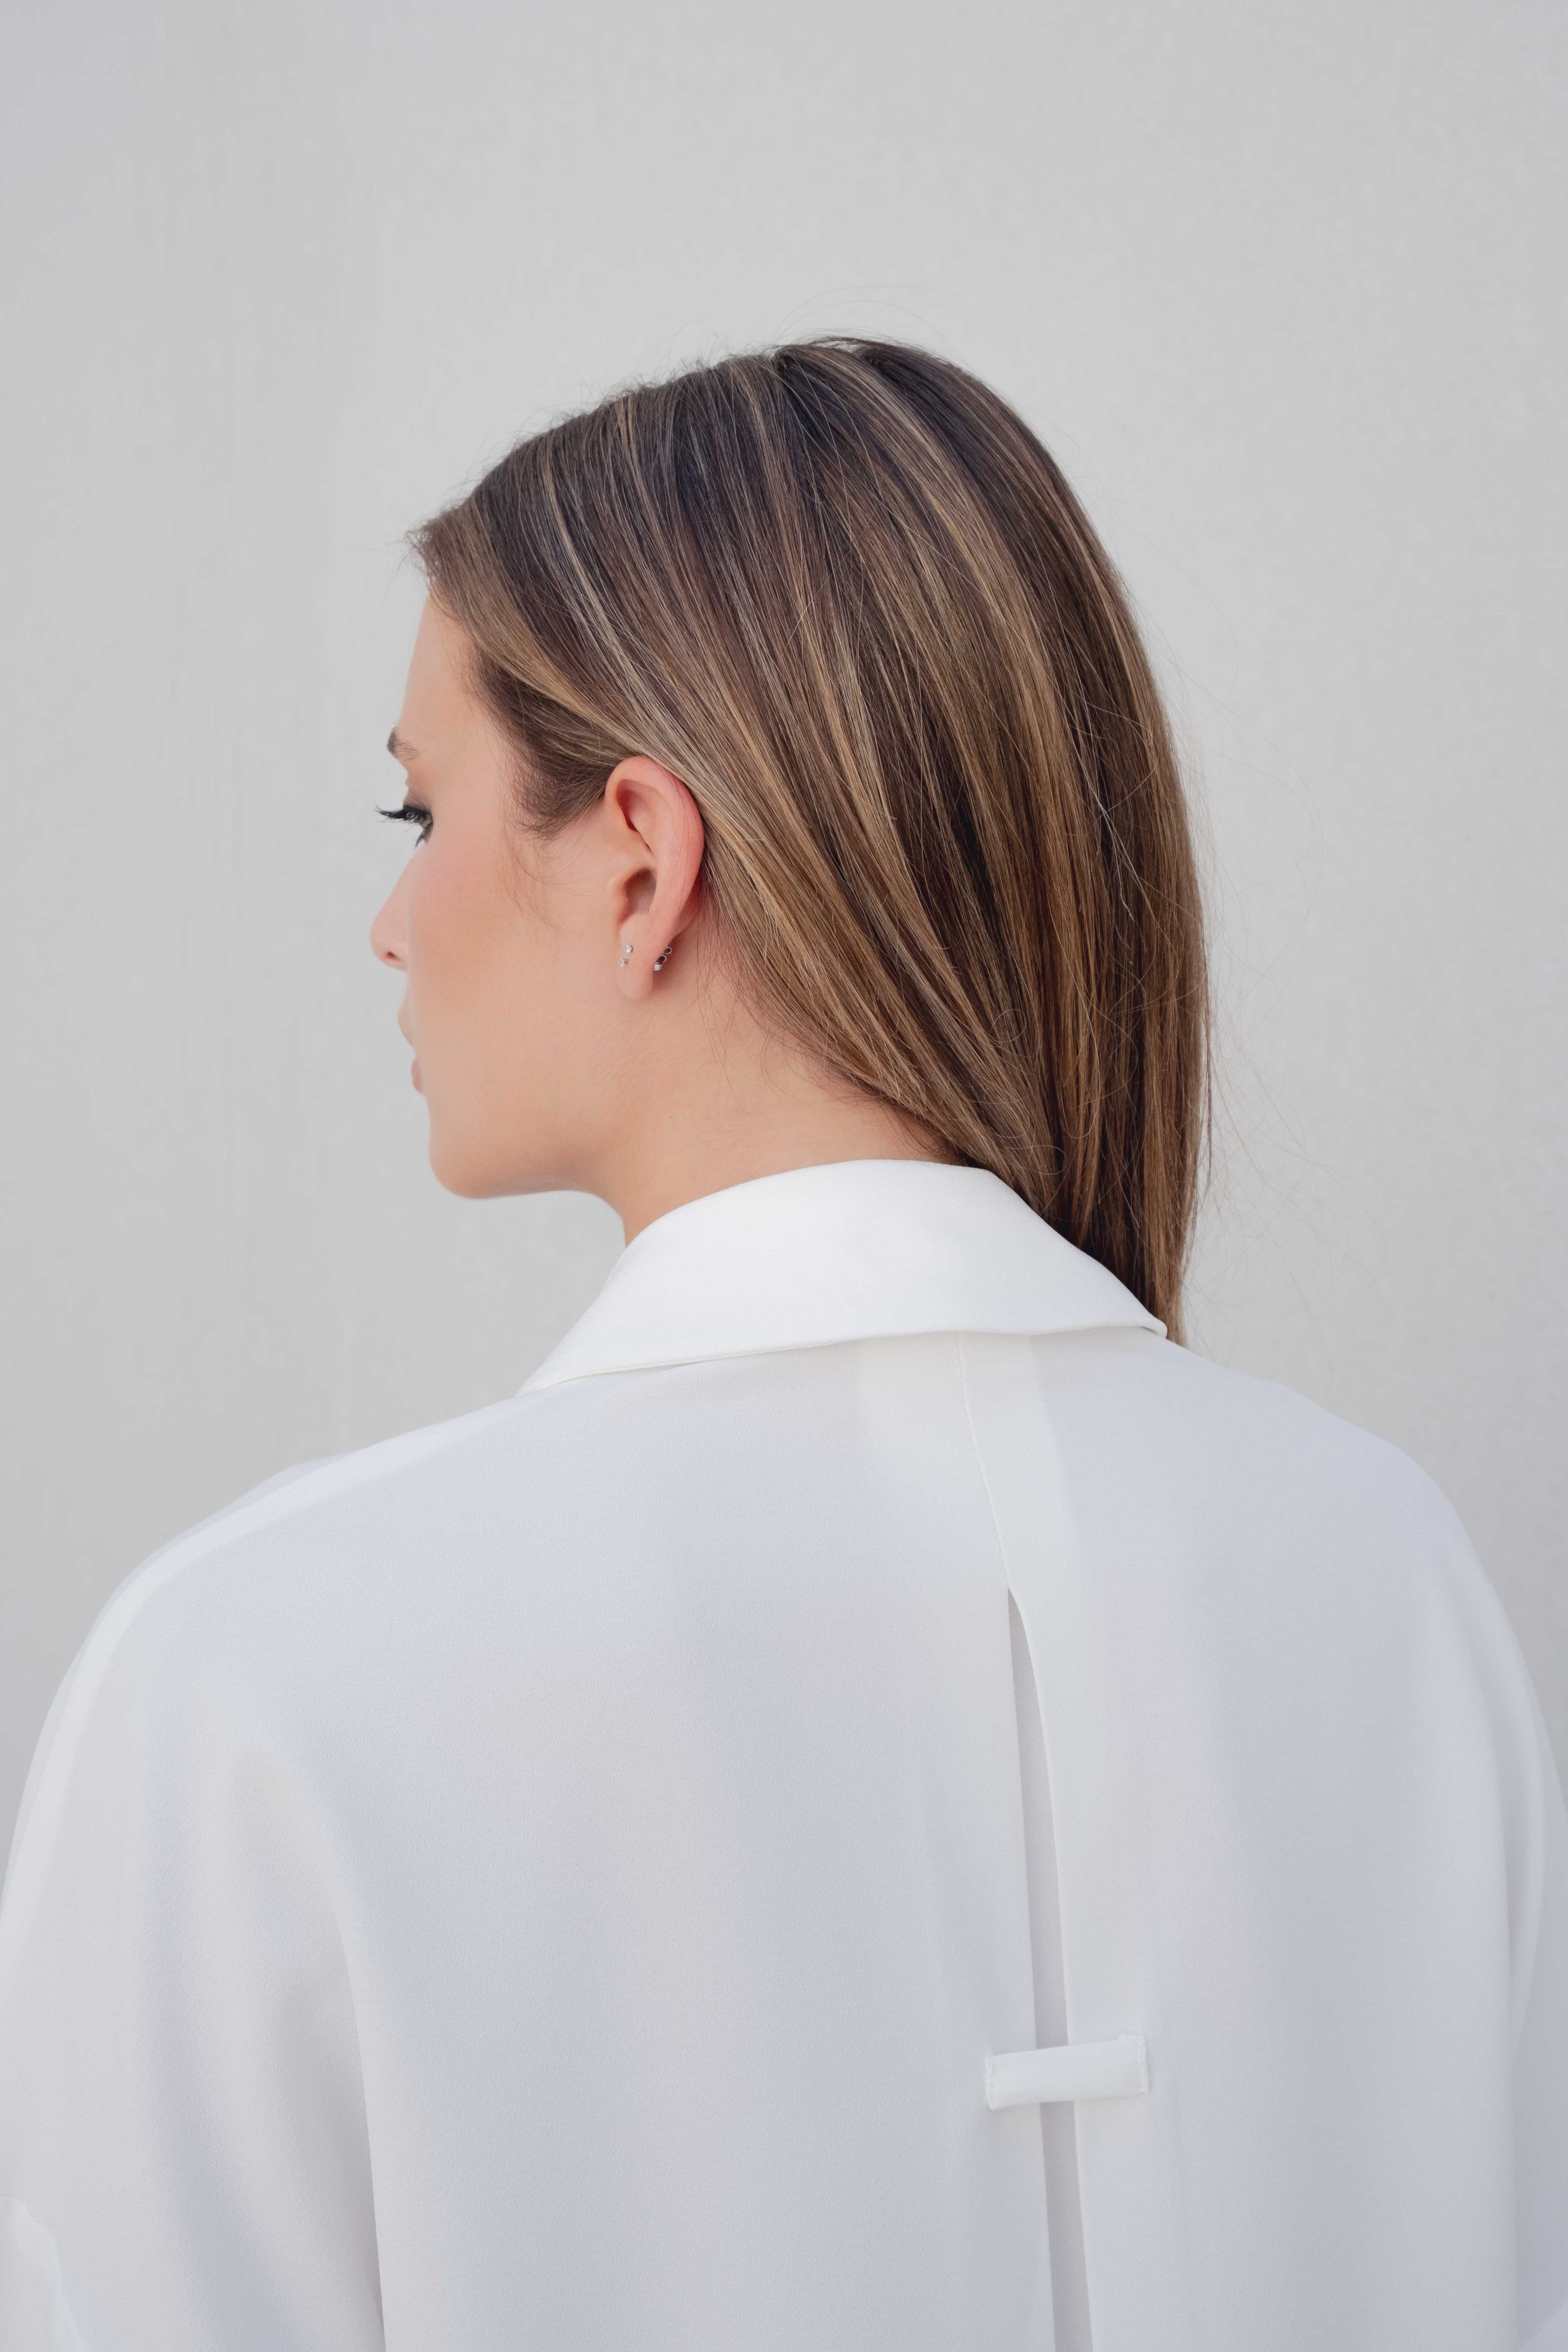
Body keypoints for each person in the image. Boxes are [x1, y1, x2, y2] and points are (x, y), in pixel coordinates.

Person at [0, 338, 1563, 2352]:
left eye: (420, 806)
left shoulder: (257, 1675)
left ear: (643, 860)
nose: (391, 920)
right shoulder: (1392, 1579)